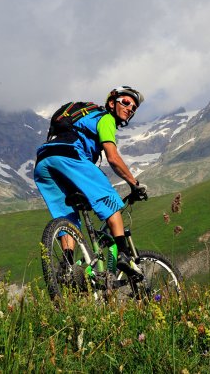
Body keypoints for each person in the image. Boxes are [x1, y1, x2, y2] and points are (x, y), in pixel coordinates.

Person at [33, 86, 146, 276]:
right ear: (112, 103)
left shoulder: (86, 118)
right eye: (126, 102)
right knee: (110, 200)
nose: (130, 109)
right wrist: (134, 184)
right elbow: (113, 158)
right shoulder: (106, 118)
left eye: (134, 108)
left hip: (44, 161)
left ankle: (67, 268)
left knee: (67, 217)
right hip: (69, 155)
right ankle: (124, 255)